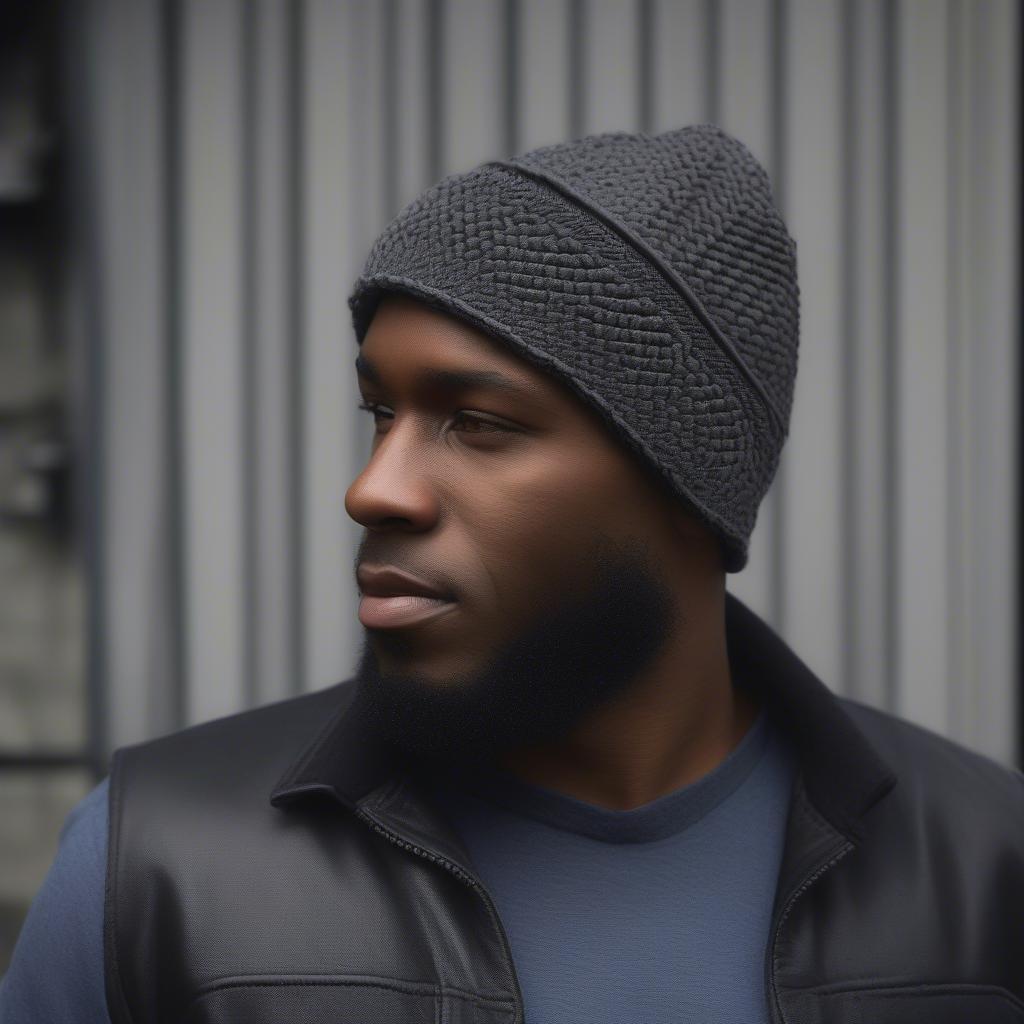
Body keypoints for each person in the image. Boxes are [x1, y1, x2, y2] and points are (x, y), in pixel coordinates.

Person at [2, 124, 1022, 1024]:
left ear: (685, 484)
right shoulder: (155, 866)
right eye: (380, 414)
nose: (374, 488)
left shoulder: (984, 869)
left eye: (477, 424)